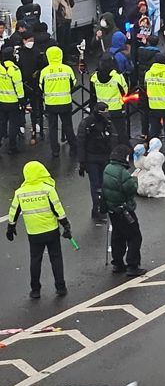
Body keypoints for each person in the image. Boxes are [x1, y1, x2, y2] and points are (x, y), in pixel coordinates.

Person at [7, 160, 71, 298]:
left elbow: (13, 212)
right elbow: (58, 209)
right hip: (51, 230)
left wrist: (10, 228)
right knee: (56, 258)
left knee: (35, 260)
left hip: (34, 233)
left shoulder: (20, 193)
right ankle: (60, 287)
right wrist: (66, 225)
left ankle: (35, 290)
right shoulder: (48, 189)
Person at [102, 145, 144, 276]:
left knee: (118, 236)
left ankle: (118, 263)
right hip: (125, 210)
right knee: (134, 236)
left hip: (113, 209)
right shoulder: (123, 173)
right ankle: (132, 265)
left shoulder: (108, 168)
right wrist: (135, 179)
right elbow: (131, 189)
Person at [76, 101, 114, 223]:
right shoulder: (87, 123)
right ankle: (97, 210)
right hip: (91, 159)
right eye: (104, 112)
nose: (107, 114)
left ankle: (101, 208)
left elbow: (112, 139)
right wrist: (82, 162)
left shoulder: (107, 123)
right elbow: (81, 143)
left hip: (104, 157)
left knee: (103, 184)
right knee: (96, 185)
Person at [39, 46, 77, 158]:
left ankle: (55, 150)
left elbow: (41, 86)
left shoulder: (44, 71)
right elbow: (73, 82)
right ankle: (73, 147)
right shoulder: (67, 69)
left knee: (52, 127)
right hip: (65, 102)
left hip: (51, 103)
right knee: (67, 125)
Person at [144, 57, 165, 163]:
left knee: (154, 130)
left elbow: (146, 87)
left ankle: (152, 152)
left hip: (153, 106)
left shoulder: (148, 74)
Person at [89, 53, 128, 144]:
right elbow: (125, 92)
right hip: (116, 108)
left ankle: (104, 150)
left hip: (101, 110)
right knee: (121, 132)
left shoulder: (94, 77)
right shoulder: (117, 77)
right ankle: (125, 152)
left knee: (102, 131)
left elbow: (92, 94)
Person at [0, 45, 24, 153]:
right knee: (13, 124)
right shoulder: (14, 70)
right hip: (13, 102)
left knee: (2, 123)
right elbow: (19, 86)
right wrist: (21, 100)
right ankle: (12, 147)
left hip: (1, 101)